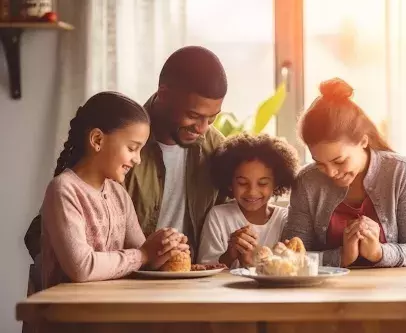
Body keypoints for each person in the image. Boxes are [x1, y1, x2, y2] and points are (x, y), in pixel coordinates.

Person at [25, 45, 227, 261]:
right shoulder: (114, 146)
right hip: (117, 286)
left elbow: (234, 215)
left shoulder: (216, 150)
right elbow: (40, 237)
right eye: (193, 115)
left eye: (212, 118)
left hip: (191, 283)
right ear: (164, 94)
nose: (203, 128)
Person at [40, 92, 188, 290]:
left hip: (109, 310)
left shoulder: (119, 194)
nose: (138, 159)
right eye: (132, 148)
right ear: (97, 140)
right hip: (67, 316)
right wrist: (144, 254)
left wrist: (165, 248)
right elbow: (81, 267)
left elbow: (143, 258)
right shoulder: (64, 190)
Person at [282, 78, 406, 268]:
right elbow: (293, 257)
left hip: (394, 291)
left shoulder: (404, 174)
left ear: (363, 141)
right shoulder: (306, 182)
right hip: (323, 294)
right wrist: (341, 257)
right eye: (319, 163)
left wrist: (379, 252)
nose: (331, 172)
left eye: (339, 161)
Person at [197, 133, 299, 268]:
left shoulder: (285, 219)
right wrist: (229, 255)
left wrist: (253, 264)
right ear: (229, 182)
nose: (252, 192)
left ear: (276, 184)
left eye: (262, 183)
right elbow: (203, 271)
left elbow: (291, 269)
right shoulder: (218, 216)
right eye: (242, 183)